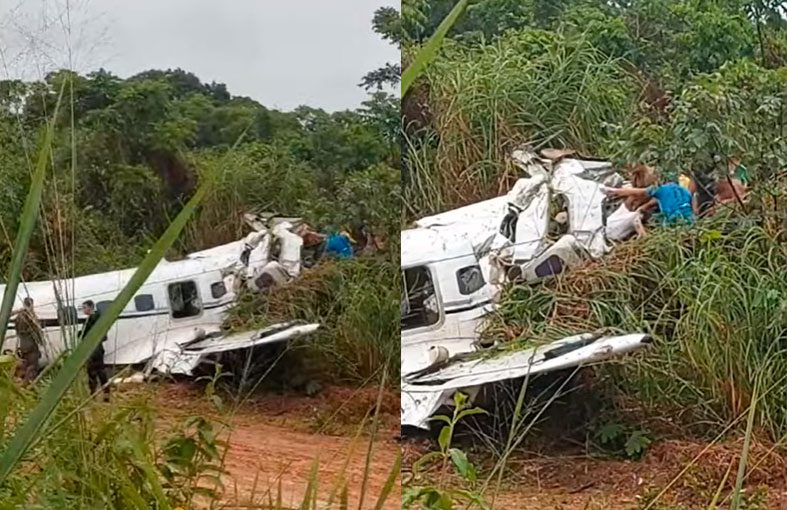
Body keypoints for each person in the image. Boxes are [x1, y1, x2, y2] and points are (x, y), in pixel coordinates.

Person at [605, 180, 694, 232]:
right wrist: (643, 207)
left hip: (672, 223)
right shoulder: (685, 191)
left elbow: (638, 192)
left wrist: (616, 191)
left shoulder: (661, 189)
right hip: (691, 222)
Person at [80, 300, 110, 402]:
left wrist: (81, 334)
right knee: (101, 371)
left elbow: (87, 333)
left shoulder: (93, 319)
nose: (83, 310)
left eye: (84, 308)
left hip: (94, 349)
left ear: (90, 307)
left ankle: (93, 394)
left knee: (92, 372)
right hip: (97, 348)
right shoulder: (97, 318)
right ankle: (105, 394)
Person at [11, 297, 43, 383]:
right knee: (33, 366)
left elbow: (17, 330)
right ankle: (30, 383)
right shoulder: (30, 316)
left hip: (23, 344)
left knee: (25, 364)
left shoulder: (18, 316)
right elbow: (37, 330)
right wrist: (41, 341)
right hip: (31, 344)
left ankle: (22, 382)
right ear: (31, 304)